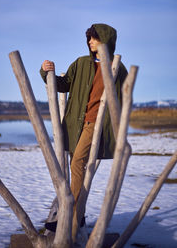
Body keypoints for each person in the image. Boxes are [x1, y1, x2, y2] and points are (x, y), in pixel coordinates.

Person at [40, 23, 128, 231]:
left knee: (78, 163)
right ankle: (75, 216)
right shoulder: (81, 64)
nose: (89, 42)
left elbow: (124, 99)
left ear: (105, 40)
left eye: (94, 38)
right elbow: (63, 84)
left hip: (96, 125)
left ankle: (69, 219)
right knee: (77, 169)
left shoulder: (117, 68)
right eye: (88, 38)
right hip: (75, 125)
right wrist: (46, 73)